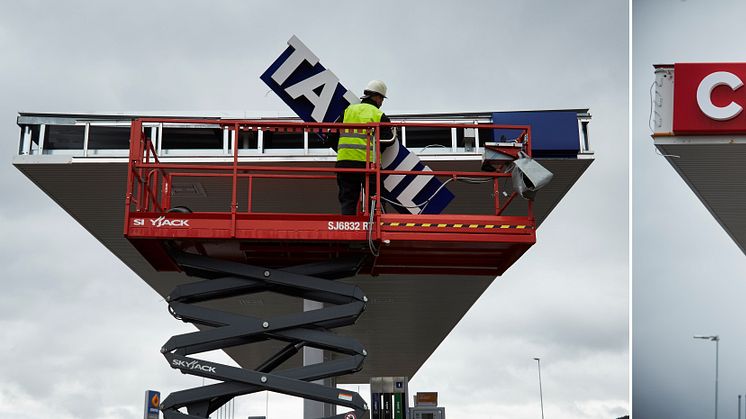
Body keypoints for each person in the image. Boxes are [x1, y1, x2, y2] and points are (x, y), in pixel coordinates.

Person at [332, 80, 396, 215]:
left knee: (348, 200)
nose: (381, 103)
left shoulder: (348, 111)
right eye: (382, 99)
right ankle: (378, 228)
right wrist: (377, 150)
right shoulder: (379, 115)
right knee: (376, 198)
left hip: (345, 164)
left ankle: (348, 230)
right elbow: (388, 140)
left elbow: (332, 135)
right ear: (378, 97)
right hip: (369, 165)